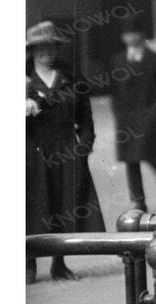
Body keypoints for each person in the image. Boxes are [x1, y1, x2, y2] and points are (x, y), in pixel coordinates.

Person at [27, 20, 104, 281]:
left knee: (62, 204)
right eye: (39, 49)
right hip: (31, 153)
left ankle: (59, 262)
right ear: (31, 52)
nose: (45, 53)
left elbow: (85, 119)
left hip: (65, 149)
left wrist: (82, 148)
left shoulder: (71, 80)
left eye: (50, 48)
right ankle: (29, 262)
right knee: (32, 205)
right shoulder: (19, 82)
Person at [101, 26, 156, 211]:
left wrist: (153, 114)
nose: (130, 37)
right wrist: (118, 113)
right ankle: (138, 200)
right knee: (131, 159)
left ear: (142, 34)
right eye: (126, 33)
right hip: (126, 119)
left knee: (149, 155)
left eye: (134, 32)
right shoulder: (117, 61)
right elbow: (114, 92)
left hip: (149, 116)